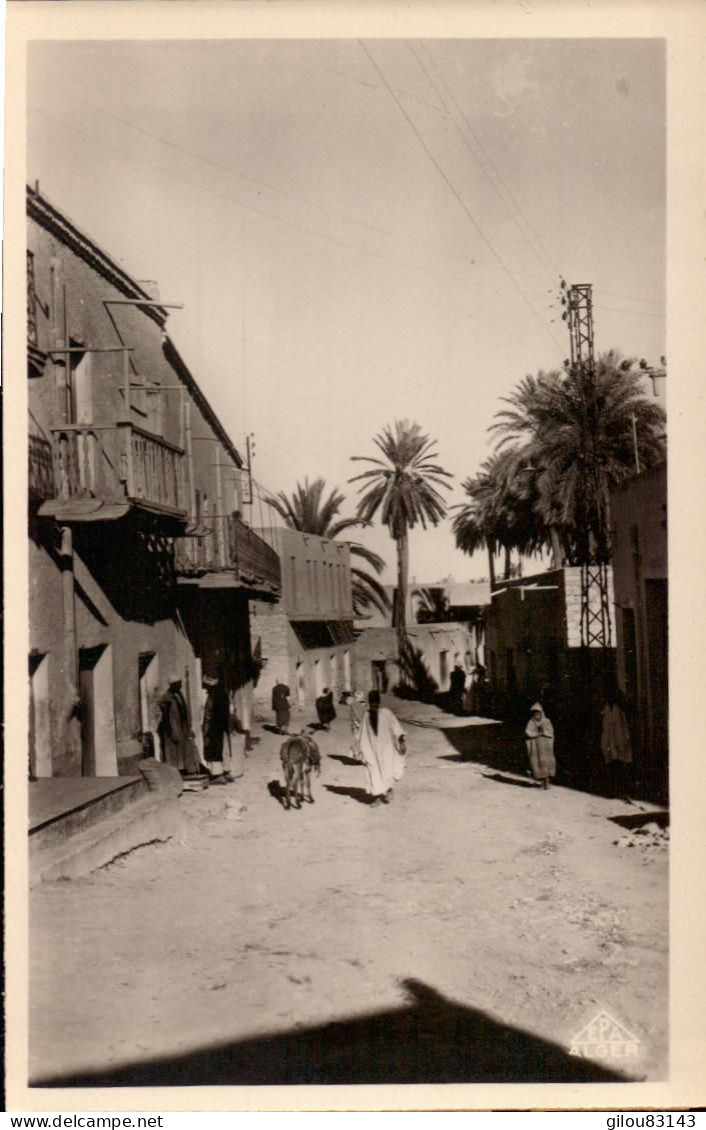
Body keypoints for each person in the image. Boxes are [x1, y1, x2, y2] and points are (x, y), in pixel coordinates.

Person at [354, 690, 406, 806]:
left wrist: (401, 741)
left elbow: (396, 726)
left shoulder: (386, 713)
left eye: (376, 704)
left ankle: (389, 790)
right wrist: (360, 750)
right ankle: (377, 797)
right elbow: (362, 733)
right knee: (373, 771)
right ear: (369, 703)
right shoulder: (367, 715)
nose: (374, 707)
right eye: (372, 704)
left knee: (387, 770)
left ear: (379, 703)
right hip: (371, 750)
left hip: (386, 748)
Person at [158, 673, 200, 775]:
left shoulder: (180, 695)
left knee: (186, 751)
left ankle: (187, 770)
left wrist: (189, 727)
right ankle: (174, 773)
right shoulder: (166, 698)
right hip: (172, 729)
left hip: (183, 729)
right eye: (178, 684)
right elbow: (165, 717)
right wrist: (171, 731)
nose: (180, 685)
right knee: (173, 753)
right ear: (172, 685)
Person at [600, 688, 633, 796]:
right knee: (610, 763)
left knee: (621, 763)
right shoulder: (605, 709)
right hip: (608, 740)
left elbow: (625, 726)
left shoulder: (619, 710)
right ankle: (613, 789)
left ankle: (622, 789)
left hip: (620, 739)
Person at [202, 676, 234, 783]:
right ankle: (227, 772)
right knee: (224, 749)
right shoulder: (224, 694)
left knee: (214, 749)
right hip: (223, 727)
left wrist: (205, 729)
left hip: (214, 728)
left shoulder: (212, 697)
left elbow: (208, 715)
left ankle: (217, 775)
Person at [525, 702, 556, 790]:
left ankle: (547, 781)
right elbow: (528, 732)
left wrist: (544, 732)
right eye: (535, 713)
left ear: (541, 713)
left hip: (545, 748)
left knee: (546, 763)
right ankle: (542, 782)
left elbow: (550, 732)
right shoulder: (531, 722)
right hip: (535, 747)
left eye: (538, 713)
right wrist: (536, 734)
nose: (536, 715)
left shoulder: (547, 721)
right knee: (537, 764)